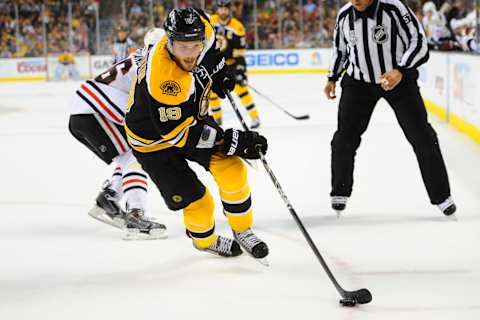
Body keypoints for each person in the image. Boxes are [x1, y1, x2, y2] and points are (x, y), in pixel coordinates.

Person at [125, 8, 269, 260]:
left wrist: (221, 70)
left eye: (195, 45)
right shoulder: (164, 79)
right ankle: (205, 241)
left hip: (190, 116)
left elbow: (211, 51)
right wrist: (231, 140)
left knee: (232, 169)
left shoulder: (205, 27)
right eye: (182, 47)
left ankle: (242, 229)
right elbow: (179, 135)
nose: (190, 54)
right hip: (154, 141)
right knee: (199, 203)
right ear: (168, 43)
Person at [324, 0, 456, 216]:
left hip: (399, 81)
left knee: (422, 137)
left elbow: (418, 42)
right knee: (343, 140)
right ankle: (340, 191)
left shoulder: (394, 7)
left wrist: (400, 69)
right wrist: (332, 77)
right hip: (359, 84)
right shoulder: (345, 15)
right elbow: (340, 49)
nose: (355, 0)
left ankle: (441, 196)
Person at [69, 28, 167, 240]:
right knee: (138, 154)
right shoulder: (154, 63)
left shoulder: (140, 56)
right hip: (94, 110)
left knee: (130, 153)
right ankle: (135, 215)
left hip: (87, 110)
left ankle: (109, 197)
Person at [208, 0, 261, 129]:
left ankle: (254, 117)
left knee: (241, 90)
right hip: (213, 63)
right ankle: (217, 119)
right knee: (212, 92)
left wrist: (241, 71)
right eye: (220, 8)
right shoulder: (210, 21)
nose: (223, 11)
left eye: (225, 9)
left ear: (229, 10)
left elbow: (240, 53)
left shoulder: (237, 27)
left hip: (230, 64)